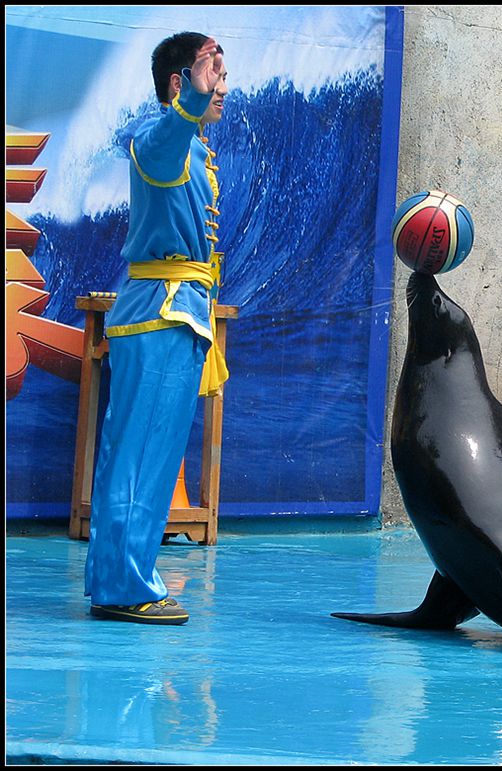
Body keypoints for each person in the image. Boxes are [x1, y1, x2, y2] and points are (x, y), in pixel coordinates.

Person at [85, 32, 230, 625]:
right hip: (161, 310)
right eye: (212, 73)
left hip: (180, 311)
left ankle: (119, 578)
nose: (224, 86)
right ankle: (125, 586)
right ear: (180, 82)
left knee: (148, 453)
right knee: (141, 456)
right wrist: (190, 105)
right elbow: (164, 140)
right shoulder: (159, 138)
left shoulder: (195, 150)